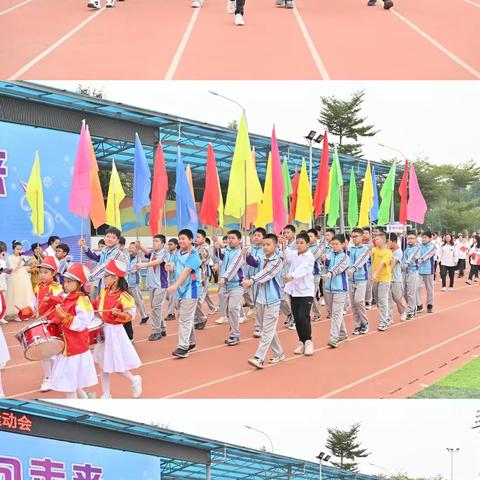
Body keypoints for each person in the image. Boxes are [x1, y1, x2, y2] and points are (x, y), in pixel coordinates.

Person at [92, 260, 142, 399]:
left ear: (116, 278)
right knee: (102, 363)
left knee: (115, 364)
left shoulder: (125, 296)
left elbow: (130, 315)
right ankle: (106, 394)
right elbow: (96, 304)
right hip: (103, 330)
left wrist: (118, 313)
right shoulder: (104, 291)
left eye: (107, 276)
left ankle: (134, 380)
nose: (104, 278)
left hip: (115, 331)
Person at [48, 263, 98, 399]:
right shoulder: (68, 297)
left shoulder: (82, 300)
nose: (65, 285)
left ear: (79, 283)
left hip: (75, 347)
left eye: (69, 282)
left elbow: (82, 323)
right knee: (70, 382)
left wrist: (63, 316)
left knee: (68, 383)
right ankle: (86, 399)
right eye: (65, 281)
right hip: (67, 345)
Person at [18, 256, 64, 393]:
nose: (42, 275)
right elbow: (34, 303)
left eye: (46, 272)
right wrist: (26, 311)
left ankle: (57, 376)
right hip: (40, 322)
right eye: (40, 272)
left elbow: (61, 301)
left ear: (53, 273)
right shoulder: (37, 286)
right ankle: (48, 378)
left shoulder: (57, 287)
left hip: (53, 322)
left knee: (56, 352)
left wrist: (51, 299)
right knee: (44, 353)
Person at [244, 233, 285, 369]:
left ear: (275, 245)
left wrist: (252, 280)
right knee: (268, 329)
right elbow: (254, 263)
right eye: (263, 245)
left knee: (266, 330)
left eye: (268, 245)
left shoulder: (278, 260)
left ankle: (259, 357)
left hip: (272, 299)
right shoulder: (262, 257)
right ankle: (279, 353)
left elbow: (268, 273)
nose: (265, 247)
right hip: (260, 298)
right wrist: (248, 255)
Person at [166, 229, 202, 358]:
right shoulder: (177, 254)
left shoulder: (194, 255)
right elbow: (176, 267)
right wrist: (170, 266)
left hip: (190, 291)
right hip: (180, 292)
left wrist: (175, 285)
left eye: (184, 238)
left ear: (190, 240)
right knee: (186, 318)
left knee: (184, 320)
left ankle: (183, 347)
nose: (181, 241)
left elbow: (186, 271)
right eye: (179, 238)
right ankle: (191, 343)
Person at [282, 232, 315, 355]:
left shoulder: (309, 257)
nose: (299, 245)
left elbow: (303, 270)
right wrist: (284, 244)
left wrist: (292, 276)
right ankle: (301, 341)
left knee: (303, 317)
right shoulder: (295, 254)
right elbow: (287, 255)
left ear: (307, 244)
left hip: (305, 292)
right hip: (293, 291)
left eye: (302, 243)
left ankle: (308, 342)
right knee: (297, 318)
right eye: (297, 243)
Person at [215, 230, 245, 346]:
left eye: (233, 238)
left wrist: (224, 277)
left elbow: (233, 267)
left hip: (236, 285)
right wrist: (216, 247)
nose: (230, 240)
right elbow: (219, 255)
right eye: (228, 238)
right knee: (228, 310)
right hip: (225, 285)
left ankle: (235, 335)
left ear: (239, 240)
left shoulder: (241, 253)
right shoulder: (227, 250)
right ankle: (233, 327)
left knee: (233, 308)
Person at [136, 235, 169, 342]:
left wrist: (143, 265)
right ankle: (162, 328)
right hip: (152, 285)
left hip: (161, 285)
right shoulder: (153, 253)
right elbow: (147, 253)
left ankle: (156, 331)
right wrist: (140, 246)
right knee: (155, 308)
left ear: (162, 243)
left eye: (157, 241)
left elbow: (158, 262)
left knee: (156, 307)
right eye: (153, 241)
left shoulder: (165, 253)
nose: (154, 243)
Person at [79, 227, 124, 298]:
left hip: (113, 286)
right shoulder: (104, 250)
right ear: (104, 238)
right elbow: (95, 257)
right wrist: (84, 247)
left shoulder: (117, 253)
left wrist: (88, 278)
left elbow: (105, 267)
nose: (110, 239)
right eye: (108, 236)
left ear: (117, 240)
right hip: (102, 282)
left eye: (113, 237)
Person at [322, 235, 350, 347]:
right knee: (333, 313)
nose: (334, 246)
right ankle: (343, 334)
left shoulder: (345, 257)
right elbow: (326, 266)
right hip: (328, 288)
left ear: (343, 245)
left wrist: (328, 274)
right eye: (332, 244)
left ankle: (334, 337)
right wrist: (323, 260)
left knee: (337, 313)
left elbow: (336, 268)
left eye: (336, 244)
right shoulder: (330, 255)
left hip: (340, 289)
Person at [347, 228, 370, 335]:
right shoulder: (350, 249)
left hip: (361, 279)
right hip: (351, 279)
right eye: (353, 236)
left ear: (362, 237)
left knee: (358, 301)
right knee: (353, 304)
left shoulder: (365, 249)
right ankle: (357, 325)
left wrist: (354, 268)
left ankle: (365, 322)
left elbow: (361, 260)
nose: (354, 238)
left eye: (356, 236)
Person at [244, 227, 266, 337]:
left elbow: (256, 263)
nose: (256, 237)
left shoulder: (264, 249)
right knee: (258, 303)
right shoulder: (251, 248)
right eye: (255, 235)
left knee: (262, 304)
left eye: (259, 236)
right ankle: (259, 327)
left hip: (261, 278)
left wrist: (248, 256)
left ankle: (261, 326)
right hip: (252, 279)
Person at [5, 241, 35, 321]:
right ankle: (15, 314)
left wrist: (30, 266)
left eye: (20, 249)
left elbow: (25, 268)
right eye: (17, 249)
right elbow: (13, 269)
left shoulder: (23, 257)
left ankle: (23, 312)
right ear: (13, 249)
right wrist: (19, 261)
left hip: (24, 277)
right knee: (16, 294)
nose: (19, 251)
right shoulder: (10, 257)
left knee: (24, 294)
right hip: (15, 278)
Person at [371, 233, 393, 331]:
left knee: (382, 299)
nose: (376, 240)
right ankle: (387, 316)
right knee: (378, 301)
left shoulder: (388, 252)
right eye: (375, 239)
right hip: (376, 280)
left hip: (384, 278)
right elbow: (367, 255)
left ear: (384, 240)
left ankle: (383, 321)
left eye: (378, 239)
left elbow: (382, 264)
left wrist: (375, 273)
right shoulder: (374, 250)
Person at [126, 242, 149, 325]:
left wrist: (128, 271)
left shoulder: (138, 258)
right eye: (129, 247)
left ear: (136, 249)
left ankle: (144, 315)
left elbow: (134, 269)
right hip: (127, 282)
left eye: (132, 248)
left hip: (134, 282)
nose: (130, 249)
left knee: (138, 300)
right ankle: (131, 315)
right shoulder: (127, 257)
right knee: (130, 300)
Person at [193, 229, 212, 330]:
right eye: (195, 237)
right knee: (194, 299)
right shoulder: (196, 247)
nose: (196, 239)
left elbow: (198, 261)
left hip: (203, 277)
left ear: (204, 238)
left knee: (198, 300)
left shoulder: (204, 248)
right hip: (196, 277)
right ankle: (197, 319)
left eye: (198, 237)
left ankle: (202, 318)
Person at [387, 233, 407, 324]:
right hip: (387, 279)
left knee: (398, 297)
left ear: (394, 241)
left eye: (389, 242)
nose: (387, 243)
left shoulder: (399, 252)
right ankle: (389, 316)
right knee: (388, 298)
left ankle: (402, 311)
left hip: (395, 278)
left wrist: (388, 271)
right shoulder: (387, 250)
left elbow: (393, 262)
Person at [401, 231, 420, 320]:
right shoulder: (407, 248)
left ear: (416, 239)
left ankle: (411, 310)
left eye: (412, 238)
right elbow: (403, 258)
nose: (410, 240)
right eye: (408, 238)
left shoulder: (417, 248)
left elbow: (412, 257)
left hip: (412, 271)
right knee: (404, 292)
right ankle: (413, 306)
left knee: (410, 293)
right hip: (404, 272)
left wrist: (407, 263)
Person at [416, 231, 436, 314]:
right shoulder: (419, 246)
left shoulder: (432, 247)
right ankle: (419, 305)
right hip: (419, 270)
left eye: (425, 237)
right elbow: (416, 253)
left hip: (428, 270)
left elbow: (427, 255)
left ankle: (429, 305)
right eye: (422, 237)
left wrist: (419, 259)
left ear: (430, 238)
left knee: (429, 289)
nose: (423, 239)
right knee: (416, 287)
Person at [307, 228, 324, 322]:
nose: (309, 238)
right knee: (309, 295)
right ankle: (316, 313)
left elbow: (309, 260)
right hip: (306, 275)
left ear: (316, 237)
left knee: (310, 295)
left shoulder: (317, 249)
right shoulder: (305, 247)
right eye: (308, 236)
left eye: (311, 236)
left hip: (315, 274)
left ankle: (311, 314)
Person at [165, 238, 179, 321]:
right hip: (168, 278)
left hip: (175, 278)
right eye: (168, 244)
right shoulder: (168, 254)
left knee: (171, 296)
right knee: (168, 296)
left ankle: (171, 313)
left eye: (171, 244)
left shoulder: (177, 254)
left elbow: (179, 266)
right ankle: (179, 308)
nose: (169, 246)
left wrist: (172, 268)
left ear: (176, 245)